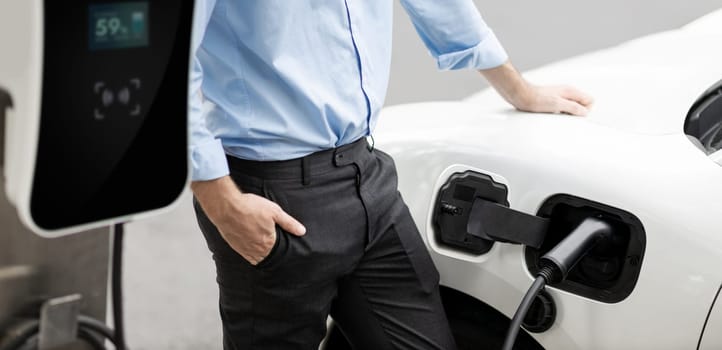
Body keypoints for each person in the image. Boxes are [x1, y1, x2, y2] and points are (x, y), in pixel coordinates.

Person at [189, 1, 593, 349]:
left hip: (368, 176)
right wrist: (223, 204)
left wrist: (518, 89)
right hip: (273, 195)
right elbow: (165, 68)